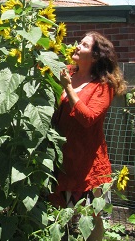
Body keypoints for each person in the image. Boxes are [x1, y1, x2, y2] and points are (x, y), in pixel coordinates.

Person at [50, 31, 127, 240]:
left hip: (88, 164)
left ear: (94, 57)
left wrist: (67, 87)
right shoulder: (66, 72)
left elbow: (88, 118)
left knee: (91, 218)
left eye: (83, 45)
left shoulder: (103, 86)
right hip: (62, 160)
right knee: (59, 218)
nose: (76, 46)